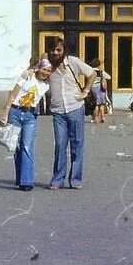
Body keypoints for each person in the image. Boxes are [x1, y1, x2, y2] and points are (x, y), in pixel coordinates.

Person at [45, 37, 94, 190]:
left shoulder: (73, 62)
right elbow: (34, 72)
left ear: (64, 50)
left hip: (75, 107)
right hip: (58, 111)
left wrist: (85, 91)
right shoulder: (47, 64)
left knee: (77, 144)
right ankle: (58, 179)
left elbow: (92, 74)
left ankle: (75, 179)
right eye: (53, 50)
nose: (55, 52)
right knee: (60, 145)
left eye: (58, 50)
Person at [0, 57, 53, 191]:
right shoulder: (26, 77)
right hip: (15, 112)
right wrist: (5, 114)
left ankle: (26, 181)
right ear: (39, 68)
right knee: (16, 146)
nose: (46, 73)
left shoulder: (47, 85)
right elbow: (12, 95)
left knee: (27, 146)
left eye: (48, 71)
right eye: (44, 69)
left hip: (30, 115)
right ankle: (20, 178)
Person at [88, 58, 111, 124]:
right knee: (101, 104)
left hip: (93, 88)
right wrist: (102, 78)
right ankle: (103, 117)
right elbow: (109, 77)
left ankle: (95, 118)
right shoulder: (101, 72)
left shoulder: (90, 71)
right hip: (101, 89)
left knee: (95, 104)